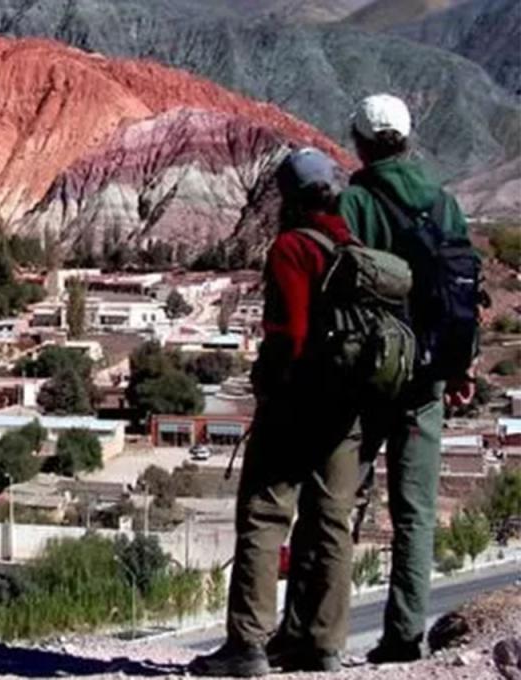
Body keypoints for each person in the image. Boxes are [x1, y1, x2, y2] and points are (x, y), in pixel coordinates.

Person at [189, 148, 362, 677]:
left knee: (265, 515)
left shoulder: (292, 247)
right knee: (332, 521)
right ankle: (323, 645)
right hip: (348, 405)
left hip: (297, 402)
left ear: (287, 196)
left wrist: (269, 382)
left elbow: (289, 332)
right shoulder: (355, 245)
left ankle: (248, 646)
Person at [339, 94, 479, 663]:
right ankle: (402, 638)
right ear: (408, 137)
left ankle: (317, 633)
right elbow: (462, 289)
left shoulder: (354, 203)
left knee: (337, 503)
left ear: (362, 142)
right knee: (415, 512)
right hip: (428, 382)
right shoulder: (445, 204)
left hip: (364, 378)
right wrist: (462, 363)